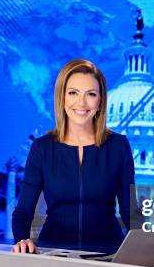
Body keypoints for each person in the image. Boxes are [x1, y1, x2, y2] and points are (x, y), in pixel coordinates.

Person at [11, 59, 136, 254]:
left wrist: (150, 247)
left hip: (108, 256)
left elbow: (130, 211)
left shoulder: (118, 146)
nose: (82, 103)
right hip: (53, 255)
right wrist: (21, 240)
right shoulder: (42, 148)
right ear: (62, 97)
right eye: (73, 93)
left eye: (91, 94)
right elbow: (23, 211)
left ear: (101, 100)